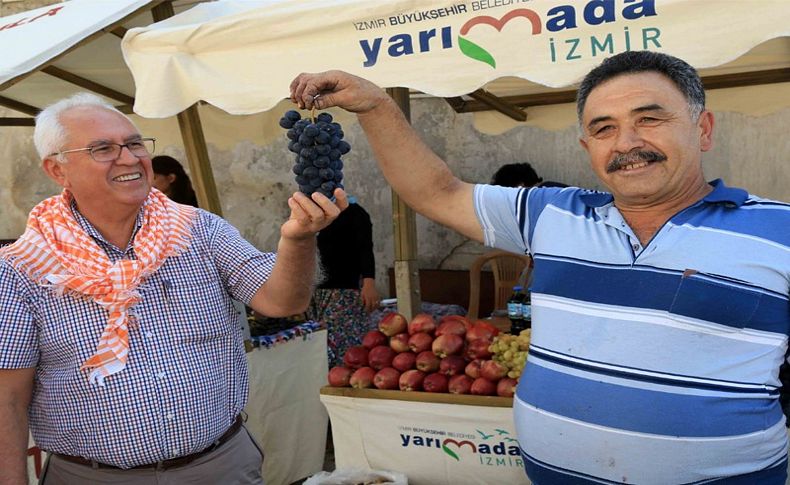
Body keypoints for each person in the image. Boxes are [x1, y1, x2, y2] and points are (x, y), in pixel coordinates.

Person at [289, 51, 790, 484]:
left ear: (702, 129)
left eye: (650, 119)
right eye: (603, 128)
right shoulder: (550, 213)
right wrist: (376, 104)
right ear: (586, 147)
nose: (626, 142)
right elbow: (435, 192)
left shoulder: (779, 232)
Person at [0, 92, 346, 484]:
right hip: (94, 478)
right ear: (57, 170)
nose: (129, 158)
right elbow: (6, 401)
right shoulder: (23, 266)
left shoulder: (199, 229)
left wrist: (297, 240)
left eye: (134, 144)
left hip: (221, 467)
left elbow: (284, 300)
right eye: (102, 149)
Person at [310, 196, 379, 367]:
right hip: (314, 293)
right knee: (317, 345)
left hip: (343, 293)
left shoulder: (355, 213)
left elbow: (365, 249)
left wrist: (369, 282)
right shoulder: (313, 214)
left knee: (343, 346)